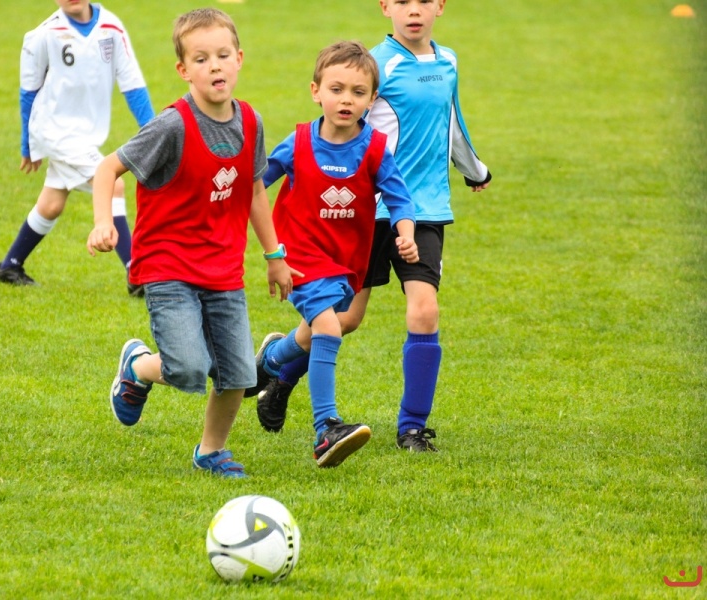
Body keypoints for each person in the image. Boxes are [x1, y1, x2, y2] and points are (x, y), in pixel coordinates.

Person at [254, 0, 492, 453]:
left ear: (441, 6)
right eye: (402, 1)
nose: (414, 11)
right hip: (364, 212)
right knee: (344, 320)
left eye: (424, 1)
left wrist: (474, 169)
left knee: (424, 310)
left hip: (419, 210)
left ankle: (412, 428)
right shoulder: (373, 63)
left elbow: (451, 121)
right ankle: (281, 374)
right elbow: (336, 135)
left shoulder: (448, 61)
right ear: (385, 6)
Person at [86, 8, 297, 478]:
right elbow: (108, 168)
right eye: (201, 59)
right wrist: (103, 223)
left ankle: (211, 452)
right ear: (184, 70)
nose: (214, 66)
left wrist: (274, 256)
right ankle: (138, 366)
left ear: (239, 58)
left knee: (239, 374)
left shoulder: (251, 122)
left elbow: (255, 191)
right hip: (168, 267)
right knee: (187, 368)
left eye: (223, 55)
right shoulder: (173, 126)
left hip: (224, 270)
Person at [250, 41, 418, 468]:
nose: (346, 100)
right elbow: (256, 183)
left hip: (346, 263)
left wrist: (406, 234)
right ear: (316, 91)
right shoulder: (298, 142)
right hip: (298, 255)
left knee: (317, 331)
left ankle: (269, 360)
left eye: (358, 92)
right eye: (337, 89)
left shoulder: (375, 148)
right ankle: (326, 427)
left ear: (372, 100)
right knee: (328, 327)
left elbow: (400, 199)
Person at [0, 0, 155, 294]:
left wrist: (154, 131)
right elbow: (28, 91)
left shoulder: (112, 28)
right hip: (54, 131)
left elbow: (133, 84)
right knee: (113, 183)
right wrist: (27, 143)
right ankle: (136, 273)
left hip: (83, 136)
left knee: (52, 204)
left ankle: (10, 266)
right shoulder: (44, 35)